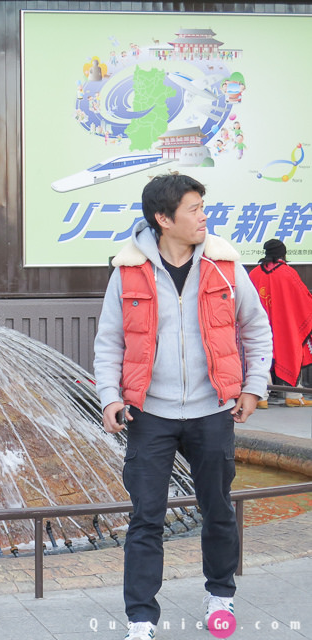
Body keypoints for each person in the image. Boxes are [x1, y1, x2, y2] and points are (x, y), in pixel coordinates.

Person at [93, 174, 272, 640]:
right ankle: (140, 619)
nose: (203, 216)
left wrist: (253, 387)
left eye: (203, 206)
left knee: (217, 508)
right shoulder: (128, 272)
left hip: (213, 411)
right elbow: (110, 341)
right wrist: (110, 397)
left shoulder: (225, 268)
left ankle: (220, 596)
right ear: (163, 218)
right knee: (146, 518)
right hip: (150, 415)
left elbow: (256, 328)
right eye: (194, 208)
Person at [249, 238, 312, 407]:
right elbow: (305, 300)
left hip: (259, 328)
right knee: (292, 353)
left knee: (260, 357)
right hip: (286, 328)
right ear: (282, 253)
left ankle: (261, 397)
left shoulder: (254, 273)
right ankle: (293, 395)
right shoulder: (288, 273)